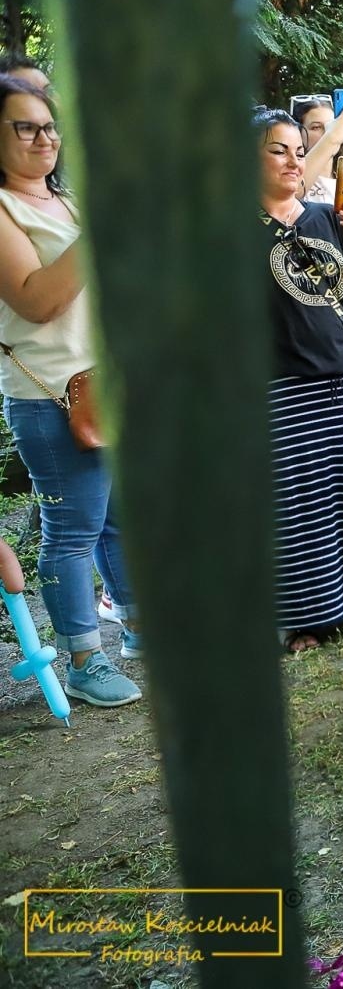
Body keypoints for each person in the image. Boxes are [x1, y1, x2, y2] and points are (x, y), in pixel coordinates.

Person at [0, 75, 141, 705]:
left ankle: (139, 629)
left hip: (105, 383)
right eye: (25, 126)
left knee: (118, 521)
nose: (44, 138)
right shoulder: (4, 209)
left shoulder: (70, 202)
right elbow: (36, 300)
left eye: (49, 126)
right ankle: (84, 657)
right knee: (74, 528)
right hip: (52, 397)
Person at [252, 107, 343, 651]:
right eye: (277, 150)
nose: (293, 161)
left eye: (298, 151)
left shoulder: (329, 214)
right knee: (302, 501)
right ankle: (312, 616)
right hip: (283, 384)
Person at [292, 92, 343, 205]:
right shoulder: (289, 175)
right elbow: (293, 191)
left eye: (332, 126)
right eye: (316, 127)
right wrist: (331, 138)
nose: (328, 132)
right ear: (298, 132)